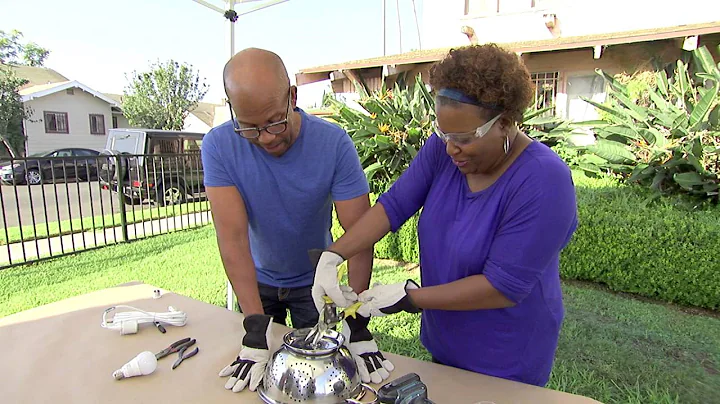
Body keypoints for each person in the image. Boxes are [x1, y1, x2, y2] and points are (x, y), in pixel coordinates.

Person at [311, 43, 579, 388]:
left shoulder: (544, 180)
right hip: (446, 343)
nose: (451, 147)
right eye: (444, 133)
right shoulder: (445, 151)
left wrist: (409, 298)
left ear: (507, 123)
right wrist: (334, 256)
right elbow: (393, 206)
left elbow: (502, 287)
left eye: (465, 138)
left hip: (506, 357)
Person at [201, 48, 380, 393]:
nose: (266, 137)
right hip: (258, 280)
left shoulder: (334, 144)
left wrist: (356, 317)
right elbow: (233, 239)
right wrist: (255, 326)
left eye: (274, 122)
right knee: (260, 377)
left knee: (315, 376)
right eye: (250, 129)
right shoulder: (219, 146)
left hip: (315, 283)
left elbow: (360, 234)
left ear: (293, 97)